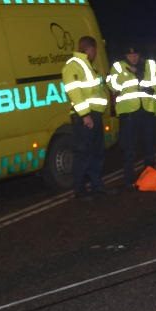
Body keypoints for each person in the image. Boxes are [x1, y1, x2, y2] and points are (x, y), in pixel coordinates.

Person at [107, 47, 156, 190]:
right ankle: (129, 181)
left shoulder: (150, 65)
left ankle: (150, 177)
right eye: (130, 55)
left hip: (147, 111)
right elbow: (111, 84)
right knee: (129, 148)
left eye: (135, 54)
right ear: (125, 55)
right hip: (129, 113)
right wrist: (127, 74)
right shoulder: (119, 67)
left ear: (140, 54)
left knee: (149, 146)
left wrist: (154, 89)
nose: (133, 57)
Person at [61, 36, 110, 198]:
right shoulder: (73, 66)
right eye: (94, 50)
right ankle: (80, 190)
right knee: (83, 153)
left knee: (96, 152)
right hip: (85, 117)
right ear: (89, 48)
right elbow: (75, 93)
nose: (95, 53)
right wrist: (85, 115)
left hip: (94, 114)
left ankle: (97, 185)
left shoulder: (88, 66)